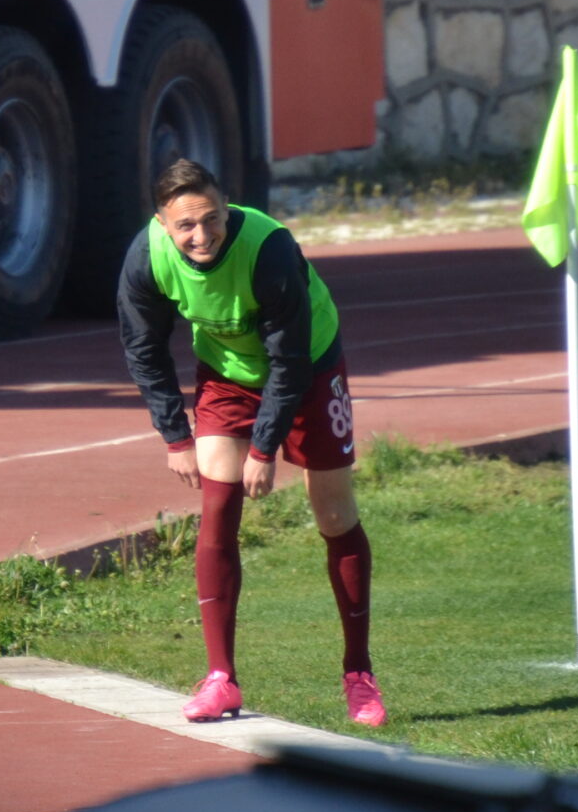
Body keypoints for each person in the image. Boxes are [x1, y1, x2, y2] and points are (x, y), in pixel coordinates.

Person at [115, 158, 384, 728]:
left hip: (308, 367)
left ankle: (358, 673)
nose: (201, 235)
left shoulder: (269, 249)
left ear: (226, 206)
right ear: (162, 223)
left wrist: (265, 451)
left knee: (334, 514)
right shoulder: (146, 257)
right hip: (228, 373)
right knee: (217, 504)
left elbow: (288, 360)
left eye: (211, 219)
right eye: (185, 225)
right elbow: (144, 350)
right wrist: (175, 436)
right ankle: (221, 678)